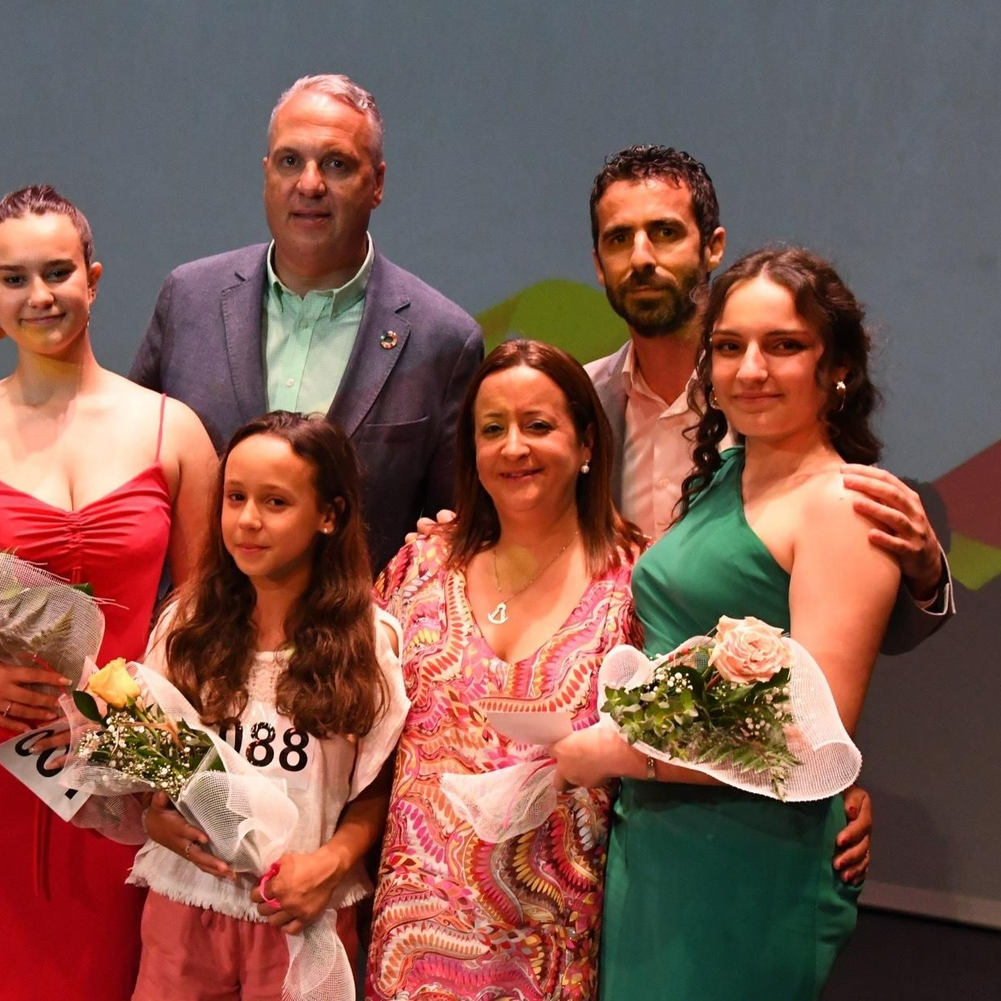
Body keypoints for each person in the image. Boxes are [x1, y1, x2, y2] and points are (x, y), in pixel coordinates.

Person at [0, 184, 217, 999]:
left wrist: (140, 726)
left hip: (113, 779)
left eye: (57, 272)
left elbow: (200, 607)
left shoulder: (174, 430)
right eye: (14, 278)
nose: (40, 296)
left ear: (93, 277)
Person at [553, 246, 900, 998]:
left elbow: (806, 736)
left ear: (837, 367)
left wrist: (618, 753)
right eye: (730, 346)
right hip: (661, 844)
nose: (751, 370)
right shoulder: (725, 476)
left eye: (784, 345)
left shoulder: (841, 505)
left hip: (749, 863)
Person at [582, 145, 951, 645]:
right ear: (598, 263)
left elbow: (848, 592)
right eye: (619, 238)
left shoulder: (773, 398)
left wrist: (926, 579)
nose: (642, 257)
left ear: (712, 247)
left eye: (665, 232)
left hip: (774, 689)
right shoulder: (574, 404)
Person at [368, 340, 644, 1000]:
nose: (513, 447)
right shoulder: (420, 566)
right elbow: (354, 729)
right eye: (492, 429)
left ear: (586, 443)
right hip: (412, 950)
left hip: (553, 957)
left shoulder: (640, 583)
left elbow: (674, 744)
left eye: (538, 425)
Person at [129, 73, 485, 570]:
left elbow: (457, 535)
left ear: (377, 183)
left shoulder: (442, 340)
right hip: (199, 614)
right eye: (290, 161)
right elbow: (124, 472)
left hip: (361, 617)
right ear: (266, 174)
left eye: (336, 164)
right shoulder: (189, 300)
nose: (310, 184)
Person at [129, 411, 407, 1000]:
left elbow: (378, 787)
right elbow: (150, 764)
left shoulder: (368, 641)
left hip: (300, 917)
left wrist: (332, 862)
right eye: (235, 498)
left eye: (275, 502)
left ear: (329, 515)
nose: (248, 520)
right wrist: (153, 816)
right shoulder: (185, 624)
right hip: (185, 910)